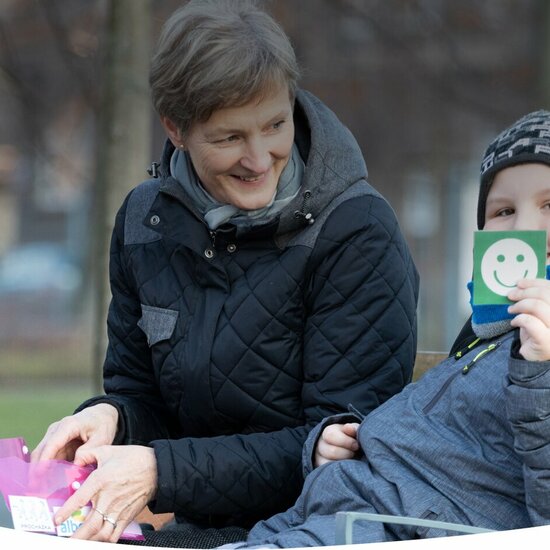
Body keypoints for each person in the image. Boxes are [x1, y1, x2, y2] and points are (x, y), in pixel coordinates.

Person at [30, 0, 419, 543]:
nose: (259, 159)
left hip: (316, 528)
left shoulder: (355, 231)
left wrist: (161, 472)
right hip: (199, 528)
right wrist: (112, 418)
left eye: (275, 125)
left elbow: (341, 450)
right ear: (176, 130)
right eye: (229, 138)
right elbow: (143, 398)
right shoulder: (145, 224)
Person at [227, 110, 550, 548]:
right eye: (504, 210)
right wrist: (331, 443)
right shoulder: (485, 337)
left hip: (399, 529)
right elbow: (429, 430)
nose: (525, 227)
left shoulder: (537, 355)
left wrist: (542, 372)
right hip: (334, 508)